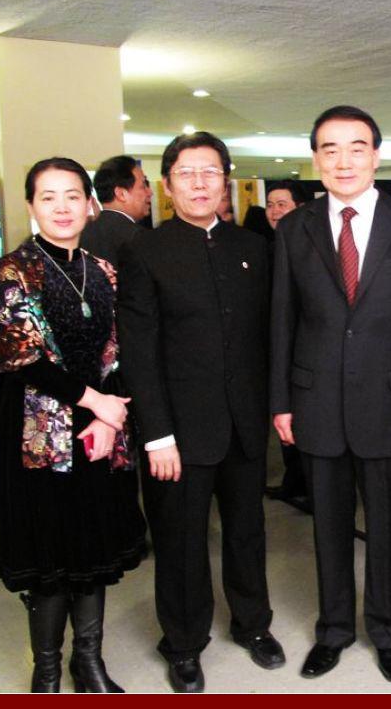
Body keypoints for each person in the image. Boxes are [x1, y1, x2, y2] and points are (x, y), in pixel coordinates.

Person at [271, 106, 391, 683]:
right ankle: (334, 630)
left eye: (356, 147)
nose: (343, 160)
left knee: (390, 528)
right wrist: (281, 401)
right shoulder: (294, 228)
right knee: (327, 526)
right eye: (330, 149)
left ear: (376, 155)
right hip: (315, 400)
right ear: (315, 158)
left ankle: (390, 632)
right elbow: (282, 321)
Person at [118, 132, 282, 693]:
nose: (199, 183)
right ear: (167, 185)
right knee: (182, 541)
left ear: (225, 180)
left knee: (247, 532)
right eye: (186, 173)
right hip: (179, 433)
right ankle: (184, 643)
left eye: (210, 172)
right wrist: (156, 434)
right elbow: (139, 350)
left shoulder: (253, 247)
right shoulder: (145, 250)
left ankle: (253, 624)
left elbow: (265, 336)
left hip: (244, 424)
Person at [0, 157, 146, 693]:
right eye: (48, 197)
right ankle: (48, 668)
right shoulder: (14, 271)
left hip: (98, 434)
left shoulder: (104, 271)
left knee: (92, 547)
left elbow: (120, 353)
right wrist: (97, 403)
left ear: (89, 204)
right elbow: (23, 357)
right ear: (31, 205)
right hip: (39, 438)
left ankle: (89, 661)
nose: (61, 207)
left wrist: (109, 417)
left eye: (72, 195)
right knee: (50, 552)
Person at [258, 181, 309, 505]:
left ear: (300, 208)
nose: (275, 211)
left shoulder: (309, 248)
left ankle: (306, 485)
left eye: (282, 204)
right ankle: (294, 482)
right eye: (270, 204)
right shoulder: (266, 248)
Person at [79, 155, 152, 266]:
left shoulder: (80, 234)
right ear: (121, 194)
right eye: (143, 185)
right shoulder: (138, 237)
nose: (150, 192)